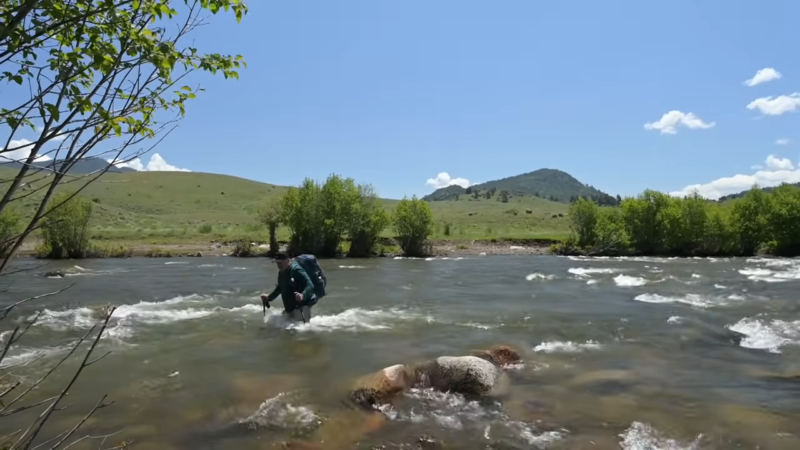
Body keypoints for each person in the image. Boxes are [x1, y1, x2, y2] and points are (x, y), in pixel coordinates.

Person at [261, 252, 317, 322]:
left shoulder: (296, 270)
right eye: (277, 263)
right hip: (290, 308)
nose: (278, 265)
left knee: (300, 329)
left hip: (301, 306)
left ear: (287, 261)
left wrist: (302, 295)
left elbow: (310, 285)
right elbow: (280, 288)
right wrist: (268, 298)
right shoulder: (281, 272)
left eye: (280, 263)